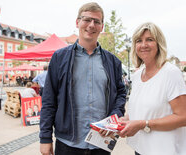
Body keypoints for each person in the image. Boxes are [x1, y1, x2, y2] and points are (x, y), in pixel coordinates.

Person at [39, 2, 126, 155]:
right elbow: (48, 99)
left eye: (97, 21)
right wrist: (45, 138)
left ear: (102, 26)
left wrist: (115, 116)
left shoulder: (113, 62)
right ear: (77, 22)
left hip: (101, 142)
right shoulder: (60, 58)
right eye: (87, 19)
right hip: (67, 143)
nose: (91, 25)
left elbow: (120, 93)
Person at [118, 22, 186, 155]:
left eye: (149, 40)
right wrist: (127, 119)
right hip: (141, 149)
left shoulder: (170, 73)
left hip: (164, 150)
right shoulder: (138, 74)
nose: (143, 45)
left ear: (159, 44)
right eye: (139, 41)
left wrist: (143, 124)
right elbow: (144, 108)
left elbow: (184, 117)